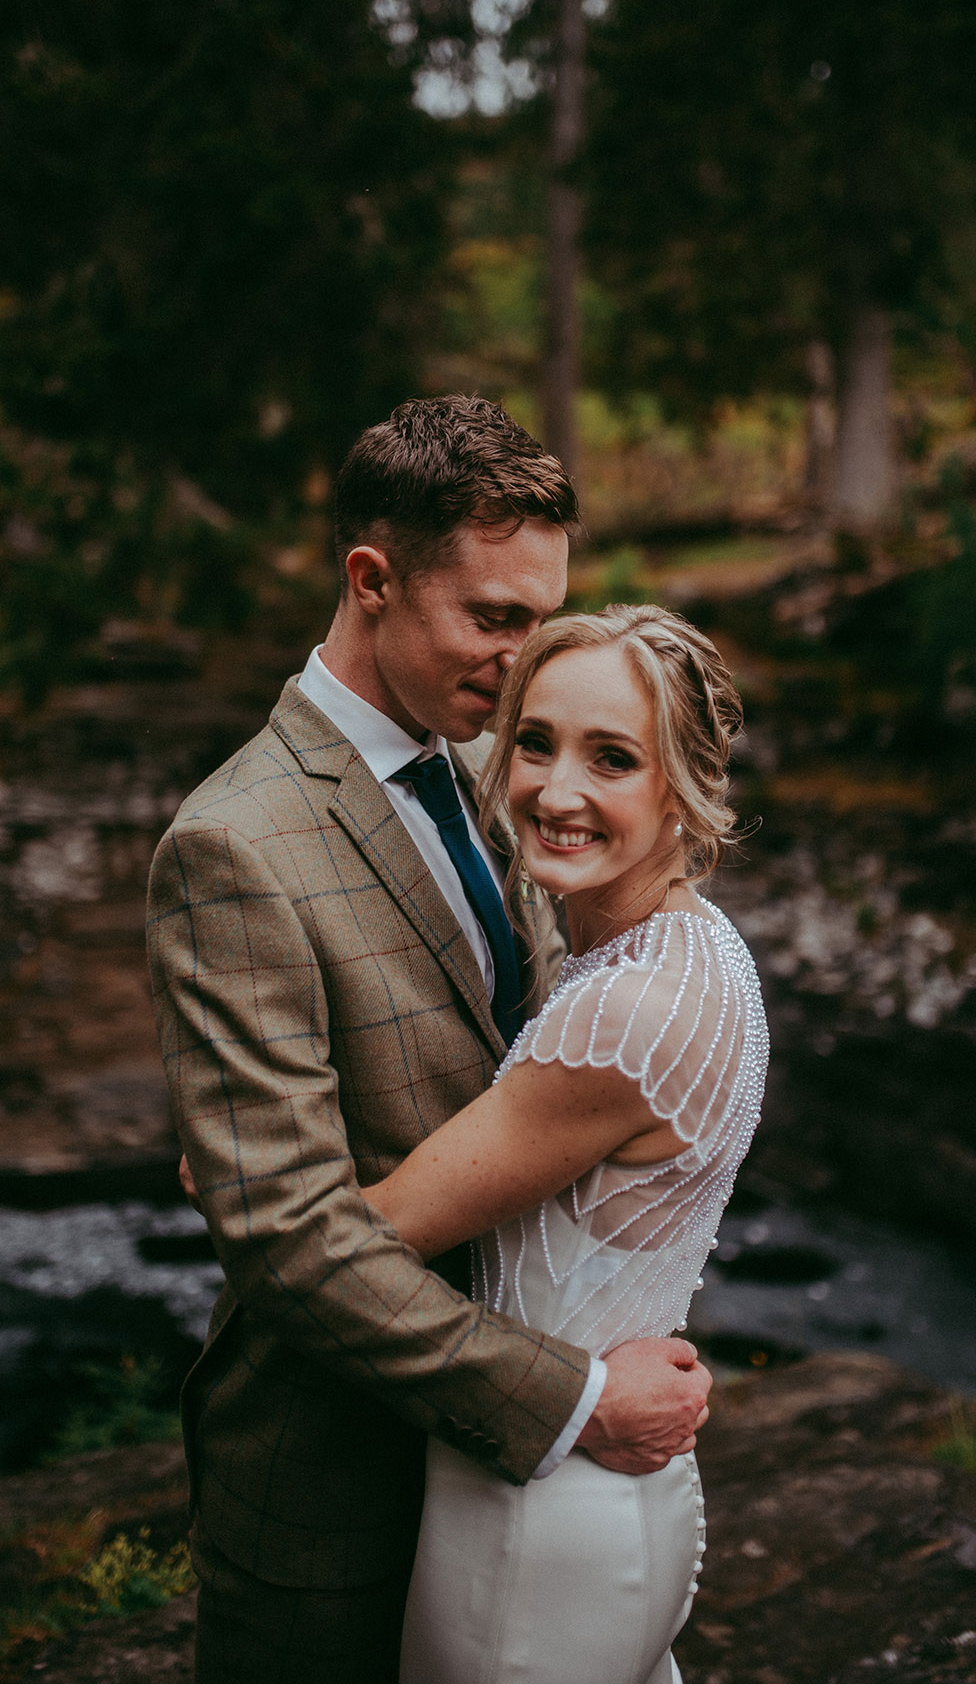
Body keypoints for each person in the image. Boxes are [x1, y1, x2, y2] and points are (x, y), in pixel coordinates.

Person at [146, 396, 713, 1684]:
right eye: (496, 619)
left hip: (511, 1498)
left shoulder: (491, 768)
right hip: (339, 1476)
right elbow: (290, 1237)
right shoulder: (235, 844)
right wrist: (572, 1399)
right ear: (372, 579)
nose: (525, 663)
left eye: (544, 618)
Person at [360, 602, 769, 1684]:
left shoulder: (621, 1017)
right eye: (533, 741)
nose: (556, 789)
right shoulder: (701, 951)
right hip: (618, 1493)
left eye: (613, 758)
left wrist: (230, 1166)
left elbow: (371, 1236)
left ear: (684, 787)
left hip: (531, 1519)